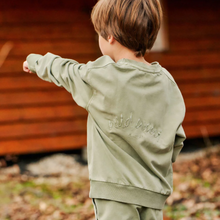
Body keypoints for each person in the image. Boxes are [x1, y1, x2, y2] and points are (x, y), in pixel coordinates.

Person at [23, 0, 186, 219]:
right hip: (154, 193)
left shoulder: (102, 76)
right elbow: (177, 137)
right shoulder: (167, 82)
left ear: (110, 36)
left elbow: (67, 71)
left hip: (114, 192)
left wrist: (35, 61)